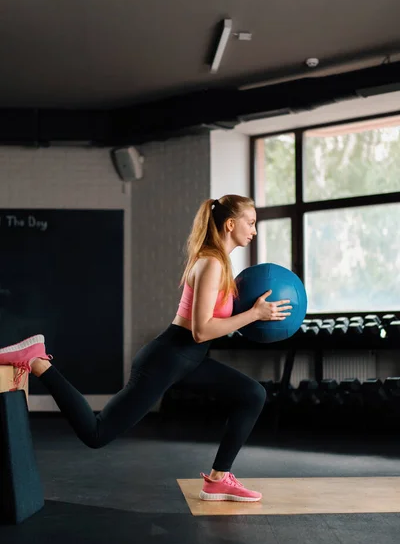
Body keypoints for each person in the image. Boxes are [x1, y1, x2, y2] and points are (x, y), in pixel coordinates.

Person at [0, 195, 292, 502]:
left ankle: (219, 479)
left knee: (252, 394)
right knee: (96, 434)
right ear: (231, 224)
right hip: (168, 358)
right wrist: (255, 314)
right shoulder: (211, 264)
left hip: (188, 360)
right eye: (251, 222)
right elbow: (201, 330)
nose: (254, 230)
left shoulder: (220, 263)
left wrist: (254, 314)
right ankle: (38, 361)